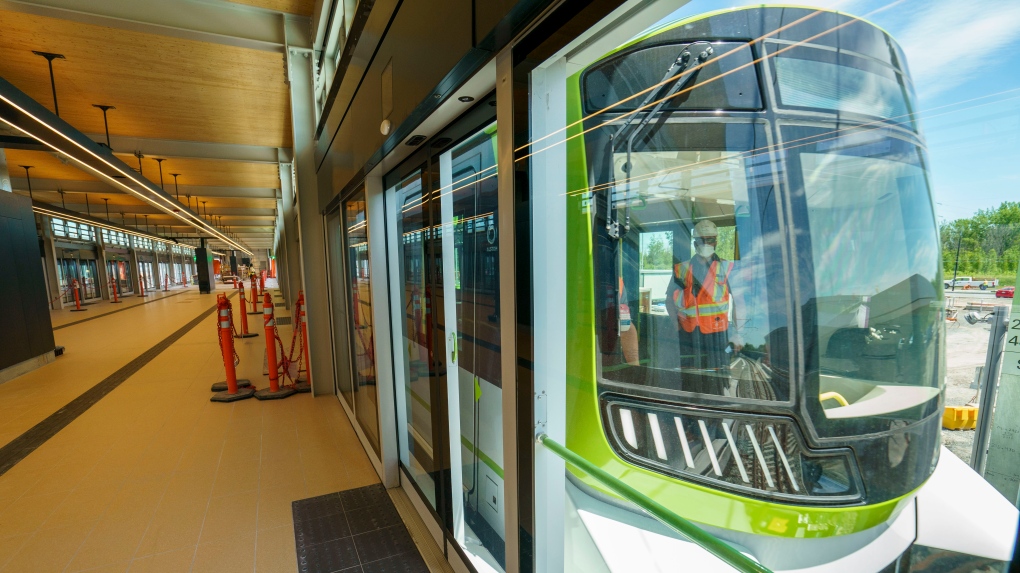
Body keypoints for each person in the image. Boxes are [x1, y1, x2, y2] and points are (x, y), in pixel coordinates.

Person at [665, 220, 742, 372]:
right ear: (695, 243)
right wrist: (676, 326)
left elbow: (739, 303)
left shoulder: (728, 268)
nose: (706, 243)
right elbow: (669, 300)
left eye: (710, 239)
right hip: (688, 335)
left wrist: (738, 334)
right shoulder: (682, 269)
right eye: (702, 240)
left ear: (716, 242)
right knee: (689, 375)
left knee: (717, 378)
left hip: (717, 336)